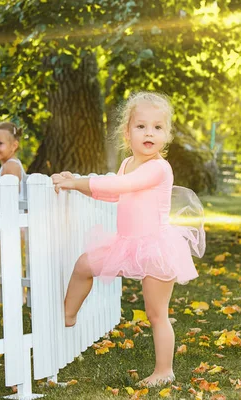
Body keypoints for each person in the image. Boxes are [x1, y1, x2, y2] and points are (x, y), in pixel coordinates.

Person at [51, 92, 205, 387]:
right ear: (127, 132)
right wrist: (76, 185)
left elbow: (124, 185)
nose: (150, 132)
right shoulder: (127, 163)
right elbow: (111, 192)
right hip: (127, 243)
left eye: (158, 128)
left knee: (156, 313)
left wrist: (74, 181)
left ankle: (164, 370)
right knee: (84, 264)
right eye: (141, 126)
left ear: (166, 135)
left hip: (156, 247)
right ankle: (67, 316)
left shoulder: (159, 168)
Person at [0, 121, 27, 201]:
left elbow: (9, 191)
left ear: (14, 146)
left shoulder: (10, 166)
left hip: (12, 211)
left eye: (0, 143)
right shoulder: (9, 164)